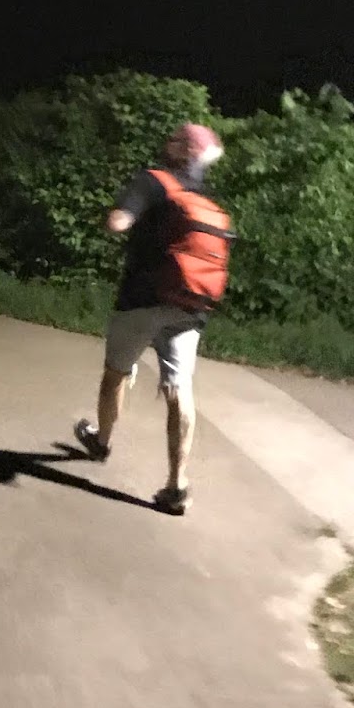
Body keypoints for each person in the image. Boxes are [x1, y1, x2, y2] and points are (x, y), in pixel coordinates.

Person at [73, 122, 231, 515]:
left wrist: (115, 218)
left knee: (116, 373)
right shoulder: (207, 199)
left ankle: (101, 442)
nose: (167, 142)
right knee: (180, 389)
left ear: (184, 150)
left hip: (142, 299)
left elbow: (118, 222)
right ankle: (177, 486)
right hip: (191, 305)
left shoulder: (153, 181)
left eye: (174, 139)